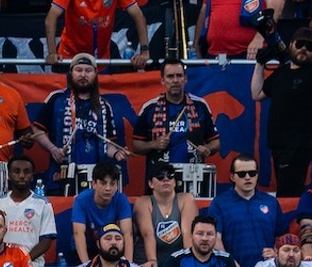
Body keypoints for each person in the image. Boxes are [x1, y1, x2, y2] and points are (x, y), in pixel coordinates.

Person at [251, 28, 312, 198]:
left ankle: (290, 222)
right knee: (285, 189)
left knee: (288, 193)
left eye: (309, 46)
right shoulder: (281, 73)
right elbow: (256, 94)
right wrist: (259, 64)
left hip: (298, 144)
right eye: (300, 44)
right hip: (278, 143)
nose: (304, 48)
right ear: (290, 45)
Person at [32, 54, 126, 184]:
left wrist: (116, 154)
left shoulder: (104, 106)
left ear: (95, 74)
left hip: (96, 178)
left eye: (88, 71)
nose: (83, 75)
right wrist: (53, 149)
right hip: (62, 174)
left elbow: (108, 144)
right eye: (78, 70)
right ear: (70, 73)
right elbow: (37, 130)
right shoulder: (56, 99)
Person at [131, 60, 220, 179]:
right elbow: (136, 145)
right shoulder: (150, 108)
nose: (175, 80)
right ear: (162, 80)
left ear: (185, 79)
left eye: (179, 76)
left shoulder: (200, 105)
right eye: (170, 76)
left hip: (193, 175)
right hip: (161, 177)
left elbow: (215, 142)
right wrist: (154, 144)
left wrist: (207, 149)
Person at [134, 162, 198, 267]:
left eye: (170, 176)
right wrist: (152, 260)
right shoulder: (143, 202)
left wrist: (190, 261)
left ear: (175, 182)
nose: (166, 179)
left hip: (177, 265)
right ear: (150, 183)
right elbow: (148, 234)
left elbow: (187, 232)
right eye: (160, 176)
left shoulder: (186, 199)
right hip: (149, 264)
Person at [45, 0, 150, 68]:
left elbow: (139, 16)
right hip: (69, 57)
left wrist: (144, 51)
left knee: (100, 99)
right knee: (69, 100)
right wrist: (52, 53)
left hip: (100, 60)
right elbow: (51, 18)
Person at [70, 162, 134, 264]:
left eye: (112, 184)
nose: (108, 188)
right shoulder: (81, 200)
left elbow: (127, 233)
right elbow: (78, 233)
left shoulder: (122, 200)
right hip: (87, 247)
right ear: (94, 184)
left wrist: (128, 264)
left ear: (117, 185)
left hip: (111, 247)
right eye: (103, 183)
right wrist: (86, 265)